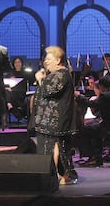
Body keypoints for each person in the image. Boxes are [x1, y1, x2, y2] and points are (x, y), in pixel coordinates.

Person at [32, 45, 78, 185]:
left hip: (54, 120)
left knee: (54, 147)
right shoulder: (55, 75)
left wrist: (40, 79)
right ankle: (57, 174)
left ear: (58, 60)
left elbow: (49, 90)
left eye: (49, 59)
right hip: (49, 120)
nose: (46, 62)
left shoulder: (62, 74)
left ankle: (53, 175)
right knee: (55, 147)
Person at [75, 76, 110, 166]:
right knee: (92, 124)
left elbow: (92, 103)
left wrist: (78, 96)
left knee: (84, 129)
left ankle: (94, 157)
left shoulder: (105, 95)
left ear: (101, 86)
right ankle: (99, 156)